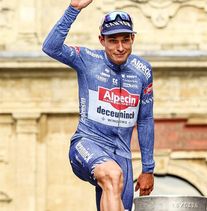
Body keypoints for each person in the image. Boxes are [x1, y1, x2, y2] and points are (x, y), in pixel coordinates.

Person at [42, 0, 155, 210]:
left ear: (133, 39)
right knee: (112, 175)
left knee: (117, 189)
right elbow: (51, 46)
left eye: (125, 40)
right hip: (87, 143)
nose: (120, 48)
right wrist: (73, 9)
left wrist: (148, 168)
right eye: (113, 41)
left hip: (122, 155)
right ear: (101, 40)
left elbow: (145, 119)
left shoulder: (143, 70)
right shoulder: (88, 59)